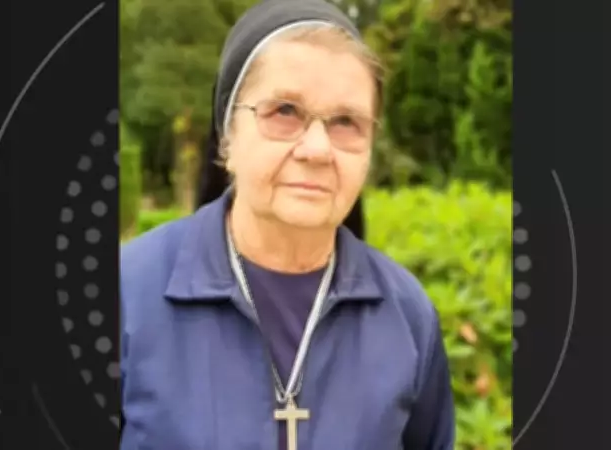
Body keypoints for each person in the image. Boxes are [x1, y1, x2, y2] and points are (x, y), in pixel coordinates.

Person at [120, 1, 455, 449]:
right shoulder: (126, 295)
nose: (317, 149)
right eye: (284, 112)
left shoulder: (408, 316)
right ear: (227, 135)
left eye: (346, 122)